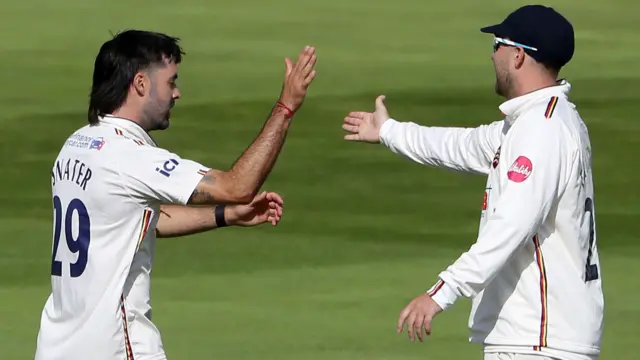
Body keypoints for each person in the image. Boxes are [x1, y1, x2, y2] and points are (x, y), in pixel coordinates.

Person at [35, 29, 317, 360]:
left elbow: (136, 220)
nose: (177, 93)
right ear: (140, 84)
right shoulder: (130, 156)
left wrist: (224, 215)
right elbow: (238, 186)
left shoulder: (77, 146)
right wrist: (287, 107)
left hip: (57, 345)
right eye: (170, 82)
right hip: (113, 346)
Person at [342, 5, 603, 360]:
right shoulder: (539, 123)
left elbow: (511, 225)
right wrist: (389, 131)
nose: (491, 54)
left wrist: (440, 293)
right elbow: (460, 145)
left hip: (538, 338)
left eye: (497, 44)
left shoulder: (541, 132)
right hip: (539, 335)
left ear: (518, 56)